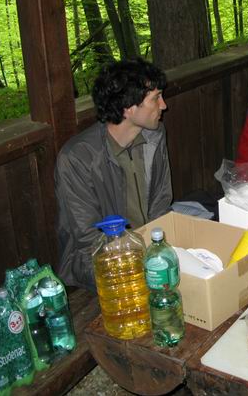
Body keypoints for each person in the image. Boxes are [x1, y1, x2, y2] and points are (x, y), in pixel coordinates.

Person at [55, 59, 173, 291]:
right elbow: (89, 239)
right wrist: (139, 265)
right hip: (100, 261)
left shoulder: (154, 136)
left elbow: (161, 203)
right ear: (128, 107)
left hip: (149, 250)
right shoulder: (77, 157)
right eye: (155, 98)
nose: (164, 105)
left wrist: (160, 251)